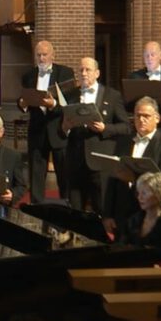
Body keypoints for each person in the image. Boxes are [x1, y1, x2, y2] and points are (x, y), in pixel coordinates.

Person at [102, 97, 161, 239]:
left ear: (157, 118)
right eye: (138, 115)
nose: (141, 120)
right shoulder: (124, 141)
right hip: (122, 212)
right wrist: (107, 214)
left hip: (150, 215)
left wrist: (134, 178)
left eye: (146, 116)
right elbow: (113, 179)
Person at [60, 57, 130, 212]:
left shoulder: (112, 96)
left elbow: (126, 127)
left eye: (88, 70)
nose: (84, 73)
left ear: (97, 73)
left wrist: (105, 128)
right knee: (75, 211)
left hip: (100, 162)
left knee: (101, 209)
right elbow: (61, 130)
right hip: (75, 161)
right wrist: (65, 127)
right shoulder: (70, 95)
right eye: (81, 70)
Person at [18, 40, 74, 203]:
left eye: (44, 54)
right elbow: (22, 99)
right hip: (37, 130)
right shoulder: (28, 76)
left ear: (52, 55)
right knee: (36, 175)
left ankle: (67, 207)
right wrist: (22, 104)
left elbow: (69, 102)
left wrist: (53, 104)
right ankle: (36, 208)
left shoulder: (65, 73)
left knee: (64, 173)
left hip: (58, 130)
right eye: (38, 55)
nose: (41, 58)